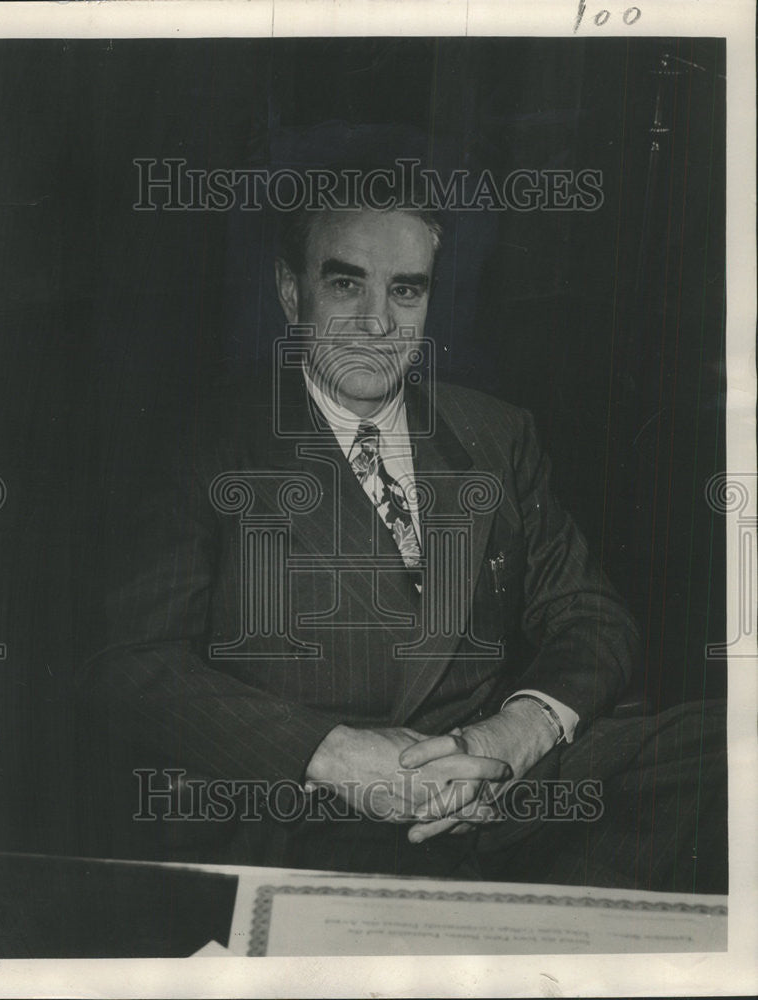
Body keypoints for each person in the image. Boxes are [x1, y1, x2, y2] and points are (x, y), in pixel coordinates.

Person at [79, 172, 727, 892]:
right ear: (291, 291)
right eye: (347, 286)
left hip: (493, 786)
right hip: (314, 807)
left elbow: (591, 617)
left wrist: (513, 734)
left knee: (726, 748)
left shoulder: (494, 432)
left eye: (406, 290)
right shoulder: (205, 443)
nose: (378, 324)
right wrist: (330, 753)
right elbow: (131, 661)